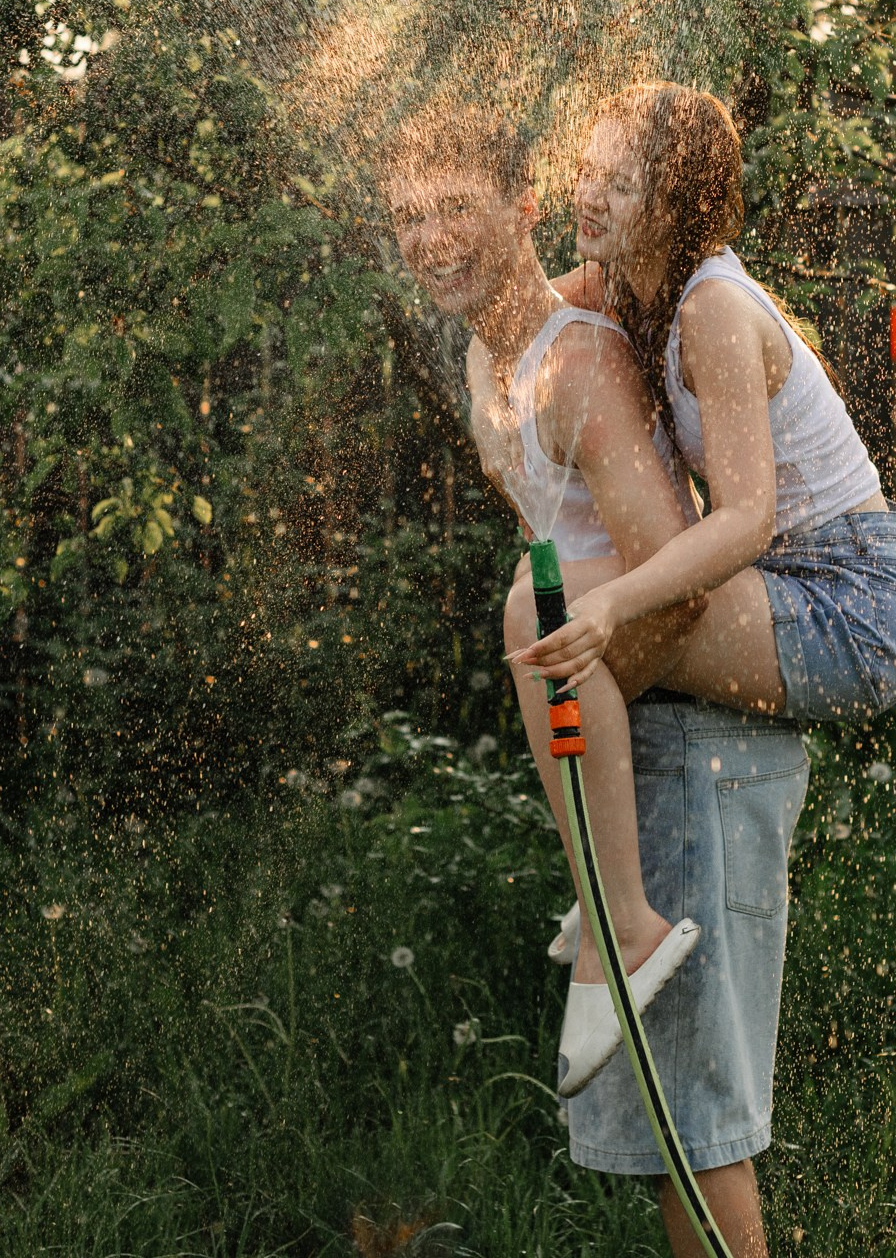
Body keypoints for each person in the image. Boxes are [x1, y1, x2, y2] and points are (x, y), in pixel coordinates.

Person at [510, 77, 896, 911]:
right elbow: (520, 312)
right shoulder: (629, 278)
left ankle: (617, 911)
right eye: (587, 170)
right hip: (788, 583)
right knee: (543, 613)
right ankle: (612, 892)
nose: (588, 196)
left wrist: (616, 605)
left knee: (550, 617)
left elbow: (747, 518)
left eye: (619, 185)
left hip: (853, 605)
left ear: (675, 207)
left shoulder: (712, 309)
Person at [381, 106, 709, 1104]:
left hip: (662, 691)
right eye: (407, 217)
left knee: (532, 606)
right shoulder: (489, 360)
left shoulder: (579, 370)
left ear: (525, 210)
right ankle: (603, 895)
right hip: (607, 706)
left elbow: (671, 567)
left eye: (454, 209)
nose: (430, 241)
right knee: (534, 592)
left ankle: (628, 921)